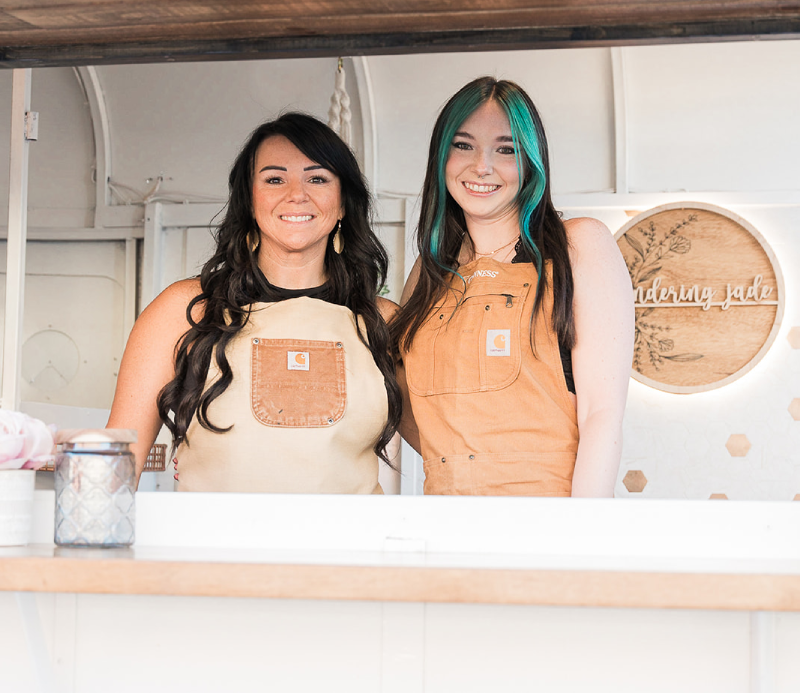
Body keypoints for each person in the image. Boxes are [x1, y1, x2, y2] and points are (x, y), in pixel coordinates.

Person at [106, 112, 402, 493]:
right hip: (212, 548)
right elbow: (117, 461)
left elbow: (450, 445)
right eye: (275, 179)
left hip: (350, 549)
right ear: (249, 200)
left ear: (343, 203)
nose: (297, 194)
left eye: (317, 178)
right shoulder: (184, 310)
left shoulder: (384, 321)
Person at [391, 77, 634, 497]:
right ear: (441, 156)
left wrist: (587, 538)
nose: (481, 166)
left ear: (531, 162)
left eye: (506, 150)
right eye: (463, 145)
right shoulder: (428, 273)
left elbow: (602, 413)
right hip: (442, 527)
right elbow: (411, 411)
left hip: (548, 525)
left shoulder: (581, 244)